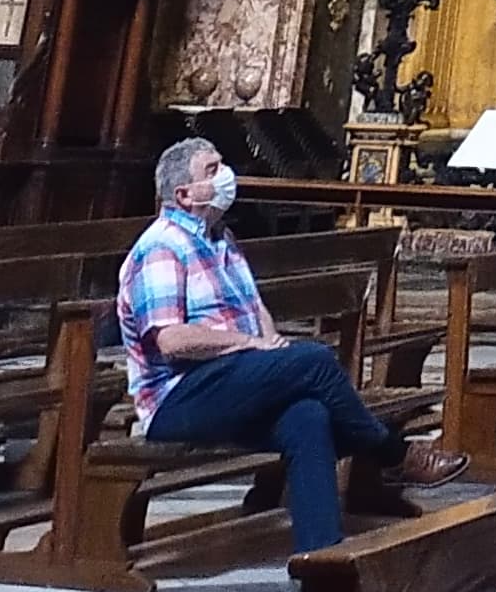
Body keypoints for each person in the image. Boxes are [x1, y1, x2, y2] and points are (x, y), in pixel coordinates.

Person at [120, 139, 469, 558]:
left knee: (309, 416)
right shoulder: (162, 247)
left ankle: (321, 561)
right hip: (178, 395)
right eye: (212, 170)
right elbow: (172, 340)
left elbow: (254, 308)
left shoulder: (220, 238)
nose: (226, 174)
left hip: (232, 379)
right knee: (315, 361)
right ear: (183, 194)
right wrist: (252, 344)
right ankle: (391, 454)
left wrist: (268, 342)